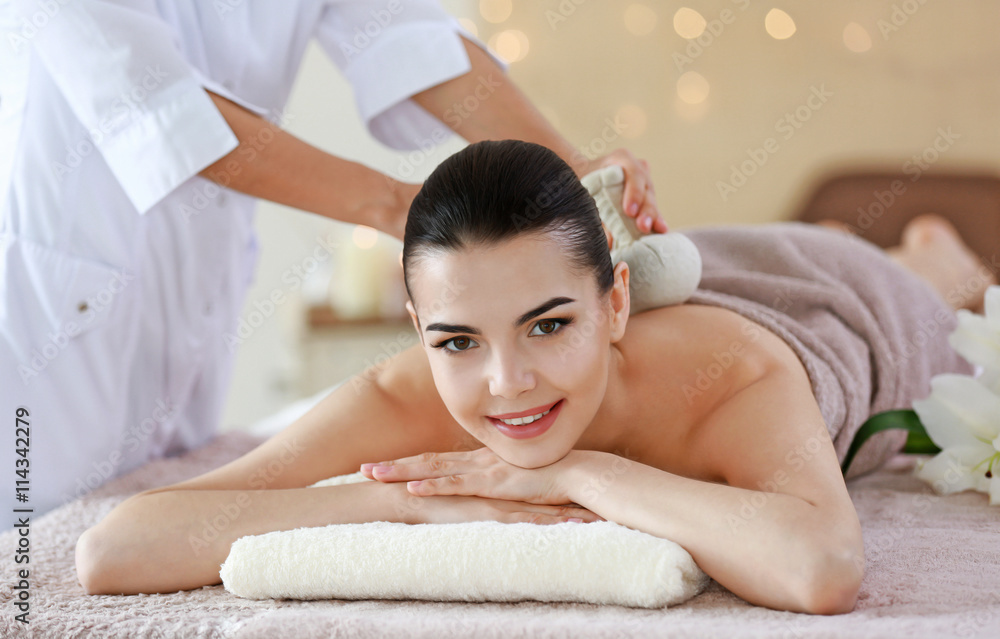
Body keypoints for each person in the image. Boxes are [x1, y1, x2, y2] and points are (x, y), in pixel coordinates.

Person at [75, 139, 991, 615]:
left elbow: (822, 567)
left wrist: (577, 474)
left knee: (945, 280)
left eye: (548, 327)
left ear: (615, 303)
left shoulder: (738, 379)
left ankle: (920, 247)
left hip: (847, 301)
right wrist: (399, 502)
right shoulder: (408, 394)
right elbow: (114, 550)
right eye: (458, 340)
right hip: (698, 268)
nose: (507, 383)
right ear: (417, 329)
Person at [0, 0, 666, 524]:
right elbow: (156, 108)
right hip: (54, 309)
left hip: (191, 281)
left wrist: (570, 166)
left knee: (181, 493)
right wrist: (392, 205)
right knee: (38, 553)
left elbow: (408, 35)